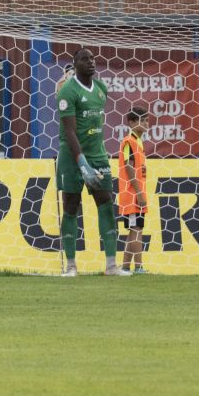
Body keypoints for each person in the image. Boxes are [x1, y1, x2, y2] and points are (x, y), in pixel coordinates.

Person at [56, 47, 129, 276]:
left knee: (106, 203)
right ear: (75, 64)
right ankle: (70, 266)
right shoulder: (67, 91)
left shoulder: (100, 89)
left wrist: (92, 160)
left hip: (98, 155)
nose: (91, 62)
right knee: (70, 207)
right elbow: (69, 132)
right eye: (85, 59)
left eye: (93, 59)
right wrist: (82, 163)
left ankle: (111, 265)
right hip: (71, 157)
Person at [118, 108, 149, 274]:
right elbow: (128, 166)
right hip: (132, 194)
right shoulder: (129, 141)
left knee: (134, 230)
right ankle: (139, 267)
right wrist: (138, 192)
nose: (146, 123)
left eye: (147, 120)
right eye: (142, 120)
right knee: (137, 229)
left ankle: (124, 267)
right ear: (131, 123)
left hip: (135, 193)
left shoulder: (138, 142)